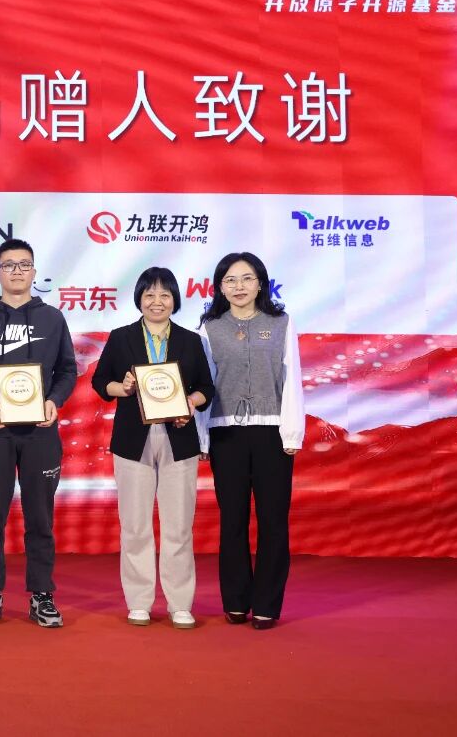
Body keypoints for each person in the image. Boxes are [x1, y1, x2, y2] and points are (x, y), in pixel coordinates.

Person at [0, 238, 77, 628]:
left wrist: (54, 400)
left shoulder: (53, 319)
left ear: (34, 272)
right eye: (9, 265)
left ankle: (42, 594)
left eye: (24, 265)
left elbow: (68, 370)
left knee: (40, 518)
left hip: (41, 433)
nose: (17, 272)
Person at [90, 267, 214, 629]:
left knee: (179, 526)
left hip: (179, 438)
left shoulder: (191, 340)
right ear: (139, 299)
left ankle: (180, 603)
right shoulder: (121, 337)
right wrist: (123, 387)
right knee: (135, 525)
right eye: (149, 294)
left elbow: (207, 389)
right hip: (133, 440)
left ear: (174, 299)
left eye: (164, 295)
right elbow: (100, 381)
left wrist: (190, 402)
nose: (156, 301)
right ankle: (139, 600)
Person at [196, 252, 305, 630]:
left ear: (261, 283)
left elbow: (292, 378)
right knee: (233, 520)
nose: (238, 286)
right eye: (230, 280)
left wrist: (292, 431)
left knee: (273, 521)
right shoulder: (209, 328)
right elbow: (204, 384)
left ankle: (267, 605)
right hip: (226, 432)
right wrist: (202, 439)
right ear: (220, 287)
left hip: (272, 432)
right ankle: (236, 601)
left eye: (246, 278)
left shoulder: (281, 323)